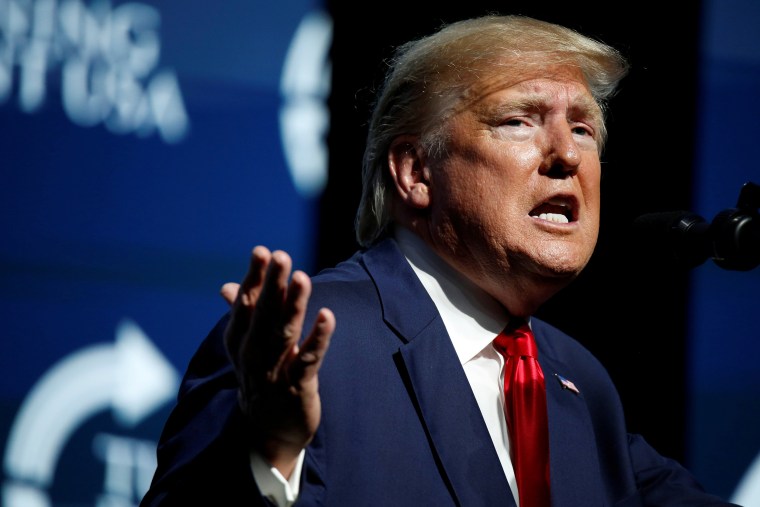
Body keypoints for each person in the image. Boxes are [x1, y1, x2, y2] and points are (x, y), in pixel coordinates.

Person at [141, 14, 739, 507]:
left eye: (584, 130)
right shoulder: (305, 343)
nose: (566, 155)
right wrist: (269, 453)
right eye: (518, 121)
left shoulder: (582, 386)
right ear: (416, 172)